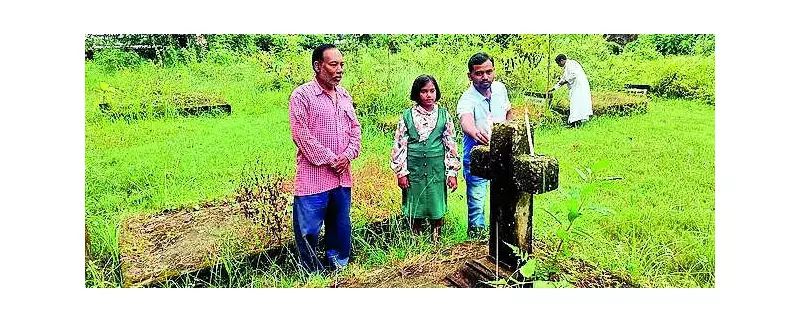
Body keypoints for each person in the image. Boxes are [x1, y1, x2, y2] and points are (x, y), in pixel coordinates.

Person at [288, 44, 361, 273]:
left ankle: (338, 269)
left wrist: (348, 155)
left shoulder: (344, 95)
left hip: (342, 177)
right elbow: (301, 135)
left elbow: (355, 129)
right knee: (308, 230)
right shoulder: (302, 96)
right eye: (333, 64)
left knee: (340, 227)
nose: (339, 70)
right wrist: (332, 159)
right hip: (314, 179)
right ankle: (312, 275)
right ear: (318, 66)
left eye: (341, 65)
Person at [390, 75, 460, 243]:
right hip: (414, 168)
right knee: (415, 203)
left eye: (432, 91)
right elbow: (399, 144)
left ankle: (436, 238)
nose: (429, 95)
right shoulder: (407, 116)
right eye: (424, 91)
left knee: (437, 202)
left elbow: (451, 143)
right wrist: (401, 172)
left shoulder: (444, 115)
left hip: (436, 168)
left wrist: (452, 172)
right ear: (417, 93)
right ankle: (416, 238)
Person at [456, 52, 512, 238]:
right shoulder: (467, 99)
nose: (485, 77)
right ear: (470, 75)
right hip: (477, 154)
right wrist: (475, 132)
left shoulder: (500, 89)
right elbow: (466, 121)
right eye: (479, 73)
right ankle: (477, 239)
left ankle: (502, 236)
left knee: (505, 194)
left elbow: (508, 112)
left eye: (489, 72)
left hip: (503, 153)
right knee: (477, 200)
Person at [547, 54, 593, 127]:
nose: (558, 65)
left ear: (562, 61)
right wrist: (553, 88)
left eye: (558, 63)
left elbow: (573, 75)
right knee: (576, 104)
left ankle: (575, 122)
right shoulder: (567, 66)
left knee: (577, 104)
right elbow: (563, 79)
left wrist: (565, 81)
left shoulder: (571, 64)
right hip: (576, 88)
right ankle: (575, 121)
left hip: (579, 87)